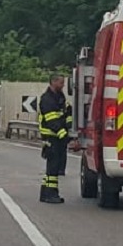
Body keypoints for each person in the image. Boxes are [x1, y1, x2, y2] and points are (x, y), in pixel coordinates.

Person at [38, 73, 73, 204]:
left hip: (57, 137)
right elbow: (52, 121)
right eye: (61, 82)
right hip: (51, 136)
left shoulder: (59, 97)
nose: (63, 85)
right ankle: (51, 194)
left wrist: (69, 125)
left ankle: (45, 193)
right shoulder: (47, 99)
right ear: (53, 82)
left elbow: (66, 112)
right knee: (53, 166)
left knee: (54, 166)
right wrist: (63, 133)